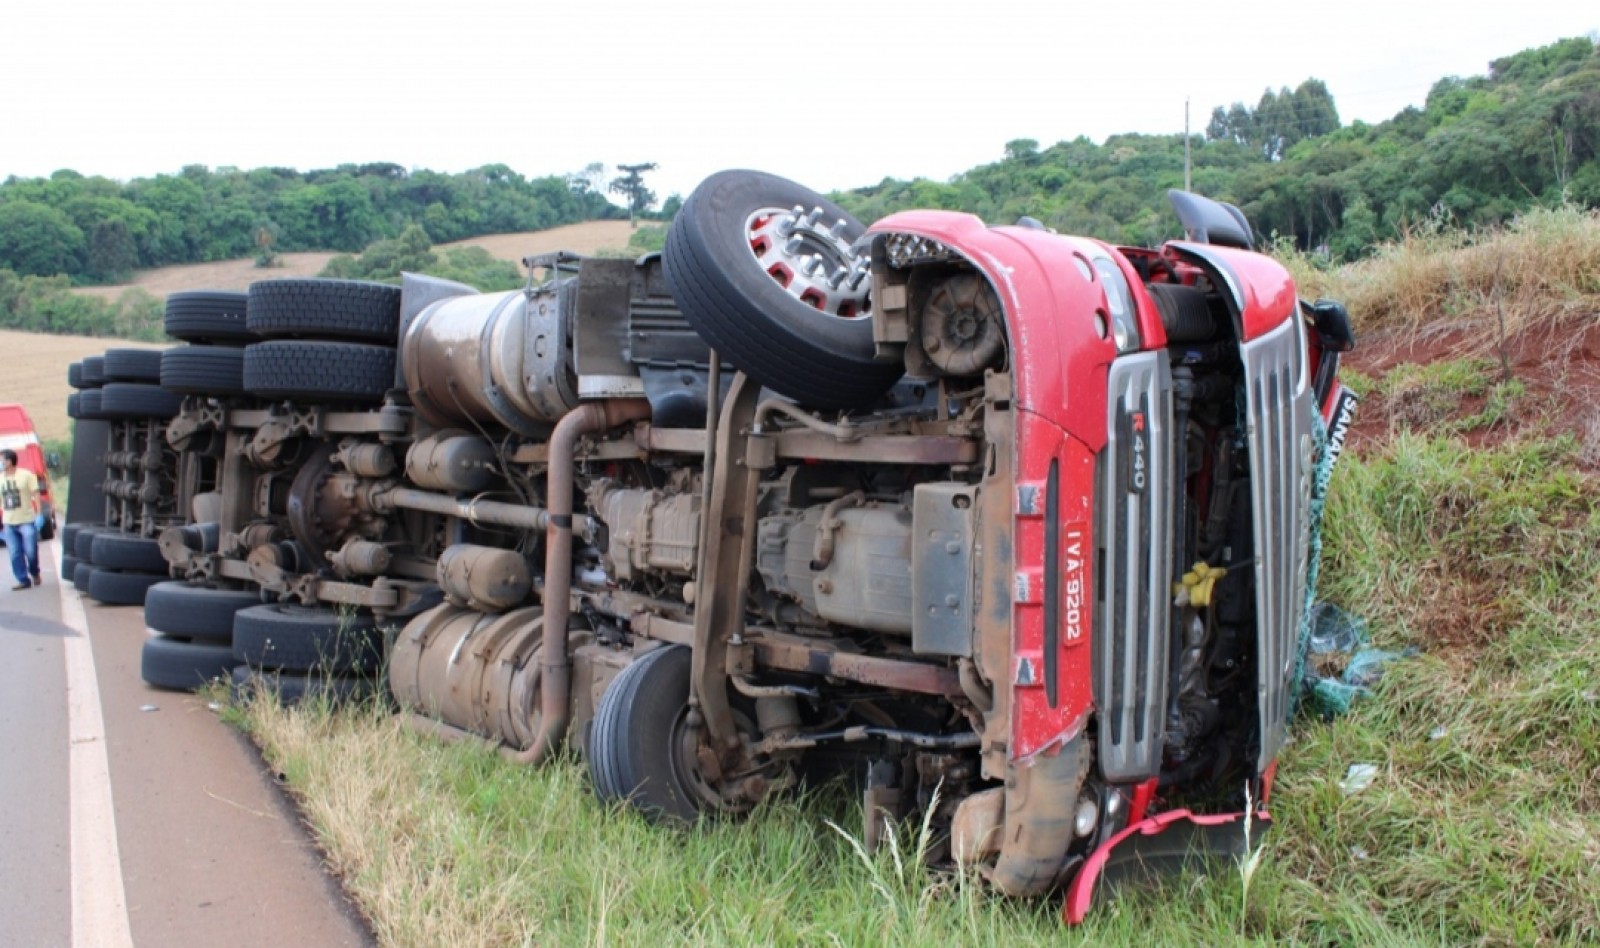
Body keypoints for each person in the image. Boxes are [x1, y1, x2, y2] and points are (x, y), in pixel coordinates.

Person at [0, 448, 42, 589]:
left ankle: (34, 572)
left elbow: (36, 494)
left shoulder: (26, 475)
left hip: (26, 520)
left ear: (10, 461)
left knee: (31, 551)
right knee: (15, 553)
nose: (0, 462)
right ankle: (23, 580)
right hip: (8, 522)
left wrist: (39, 514)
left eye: (2, 459)